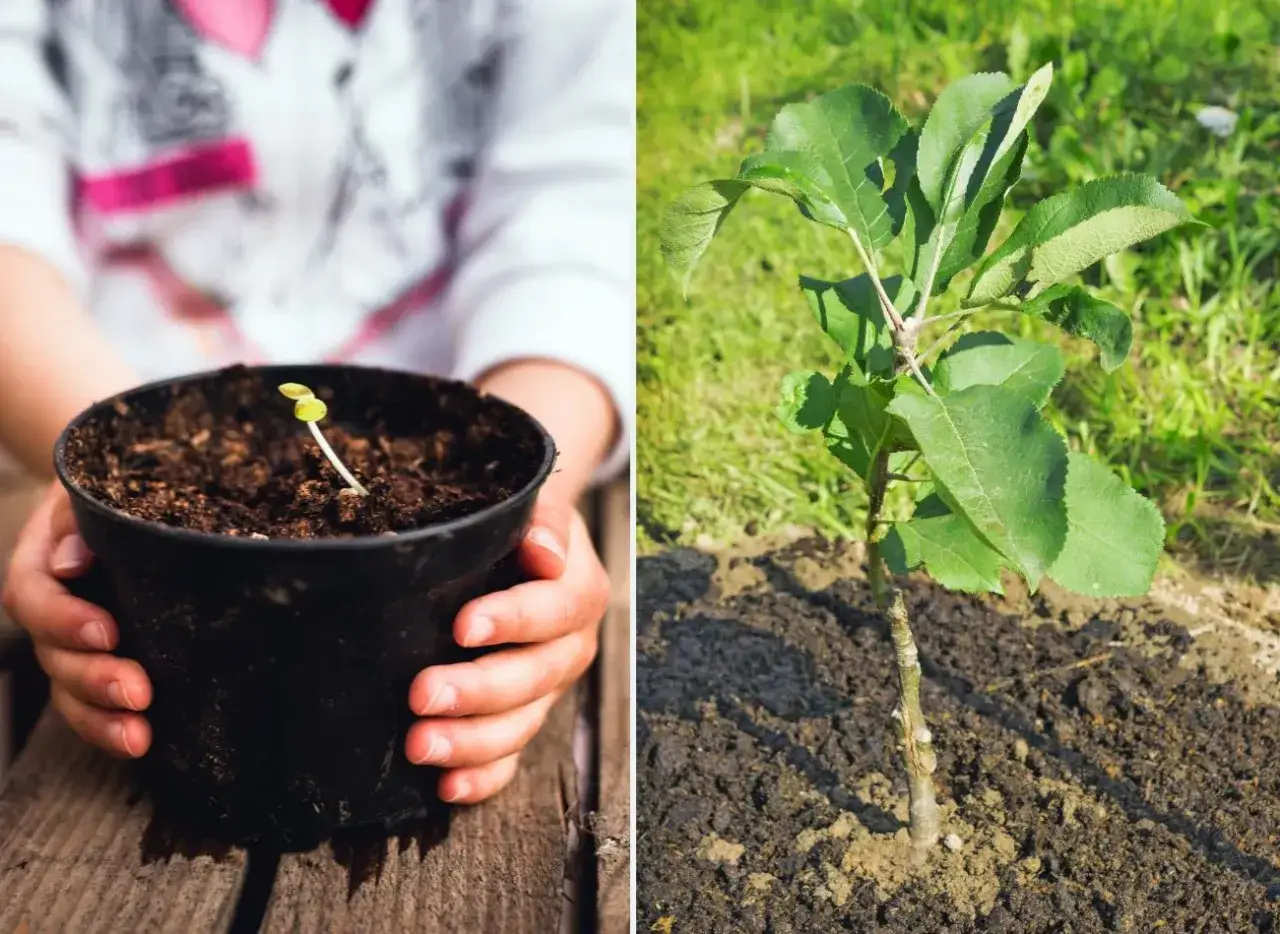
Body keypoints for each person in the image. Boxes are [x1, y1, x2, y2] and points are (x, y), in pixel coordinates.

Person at [0, 0, 633, 806]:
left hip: (466, 400)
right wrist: (95, 479)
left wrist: (525, 513)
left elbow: (574, 214)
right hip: (71, 394)